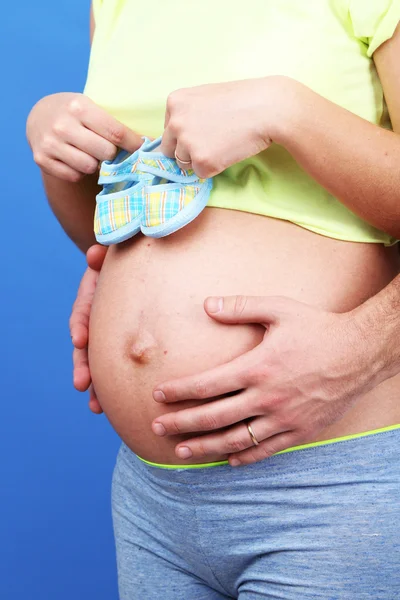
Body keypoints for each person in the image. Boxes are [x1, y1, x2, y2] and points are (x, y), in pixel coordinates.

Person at [27, 0, 400, 597]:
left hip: (329, 485)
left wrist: (289, 112)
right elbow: (110, 229)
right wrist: (56, 146)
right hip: (153, 500)